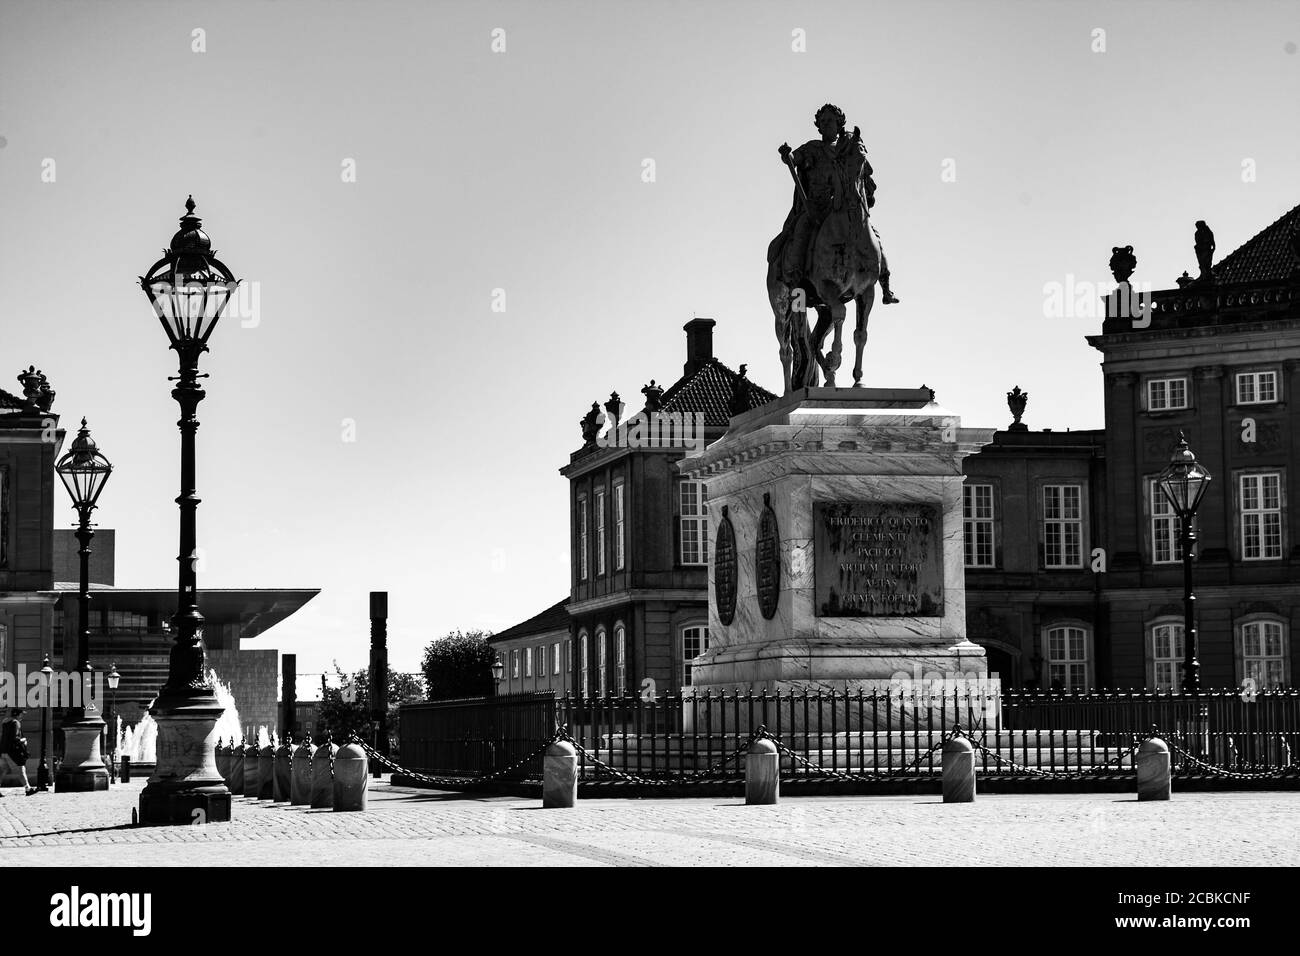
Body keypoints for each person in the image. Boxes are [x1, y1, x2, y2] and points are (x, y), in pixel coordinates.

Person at [775, 103, 899, 303]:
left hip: (840, 206)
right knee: (802, 229)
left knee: (872, 234)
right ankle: (796, 278)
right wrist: (787, 156)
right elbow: (794, 158)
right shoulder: (812, 148)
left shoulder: (846, 150)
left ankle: (884, 283)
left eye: (830, 121)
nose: (826, 124)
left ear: (839, 124)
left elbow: (861, 170)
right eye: (822, 121)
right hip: (814, 208)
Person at [0, 709, 36, 795]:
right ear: (17, 715)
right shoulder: (15, 723)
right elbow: (14, 738)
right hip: (12, 752)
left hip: (3, 750)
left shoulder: (5, 723)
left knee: (2, 770)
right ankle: (28, 789)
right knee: (21, 769)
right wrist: (23, 740)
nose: (22, 716)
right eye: (21, 714)